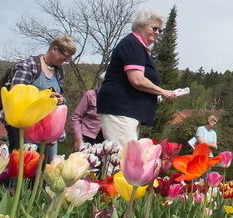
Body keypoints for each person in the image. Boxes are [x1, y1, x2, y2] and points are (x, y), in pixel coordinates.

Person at [97, 10, 176, 144]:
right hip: (121, 109)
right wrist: (162, 91)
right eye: (154, 28)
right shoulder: (132, 44)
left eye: (160, 30)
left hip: (129, 111)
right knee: (123, 155)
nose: (157, 33)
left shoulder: (139, 47)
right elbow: (137, 80)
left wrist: (157, 95)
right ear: (140, 26)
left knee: (125, 155)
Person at [5, 35, 76, 162]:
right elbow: (16, 93)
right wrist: (43, 96)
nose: (66, 60)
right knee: (23, 163)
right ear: (54, 49)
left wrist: (60, 100)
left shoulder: (59, 71)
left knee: (49, 165)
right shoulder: (28, 65)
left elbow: (60, 94)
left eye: (69, 58)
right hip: (27, 124)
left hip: (50, 126)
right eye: (65, 56)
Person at [70, 74, 105, 150]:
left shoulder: (115, 100)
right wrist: (78, 139)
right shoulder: (90, 95)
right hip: (86, 137)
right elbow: (75, 117)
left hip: (104, 140)